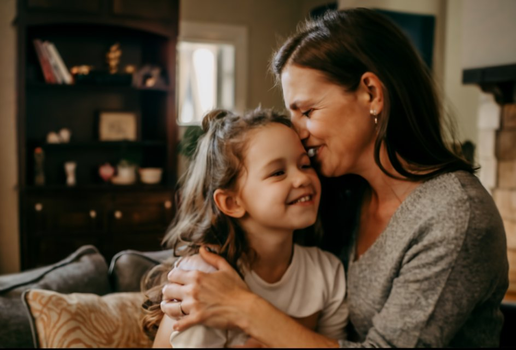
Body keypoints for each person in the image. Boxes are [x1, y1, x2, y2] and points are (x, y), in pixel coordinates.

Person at [160, 8, 509, 348]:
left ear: (371, 93)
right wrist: (191, 287)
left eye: (308, 111)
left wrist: (243, 307)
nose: (296, 132)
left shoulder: (455, 216)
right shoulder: (340, 194)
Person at [141, 108, 349, 347]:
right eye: (278, 172)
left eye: (304, 165)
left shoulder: (327, 272)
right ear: (232, 202)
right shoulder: (204, 279)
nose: (302, 179)